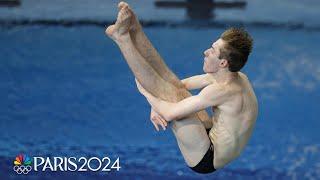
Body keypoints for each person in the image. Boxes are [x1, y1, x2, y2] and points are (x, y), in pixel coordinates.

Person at [105, 2, 258, 174]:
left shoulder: (223, 90)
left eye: (212, 51)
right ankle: (135, 28)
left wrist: (147, 94)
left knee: (168, 94)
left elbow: (170, 114)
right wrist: (156, 102)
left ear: (223, 63)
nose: (206, 52)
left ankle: (122, 39)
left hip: (207, 157)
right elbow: (179, 84)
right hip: (213, 133)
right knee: (172, 88)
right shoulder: (233, 76)